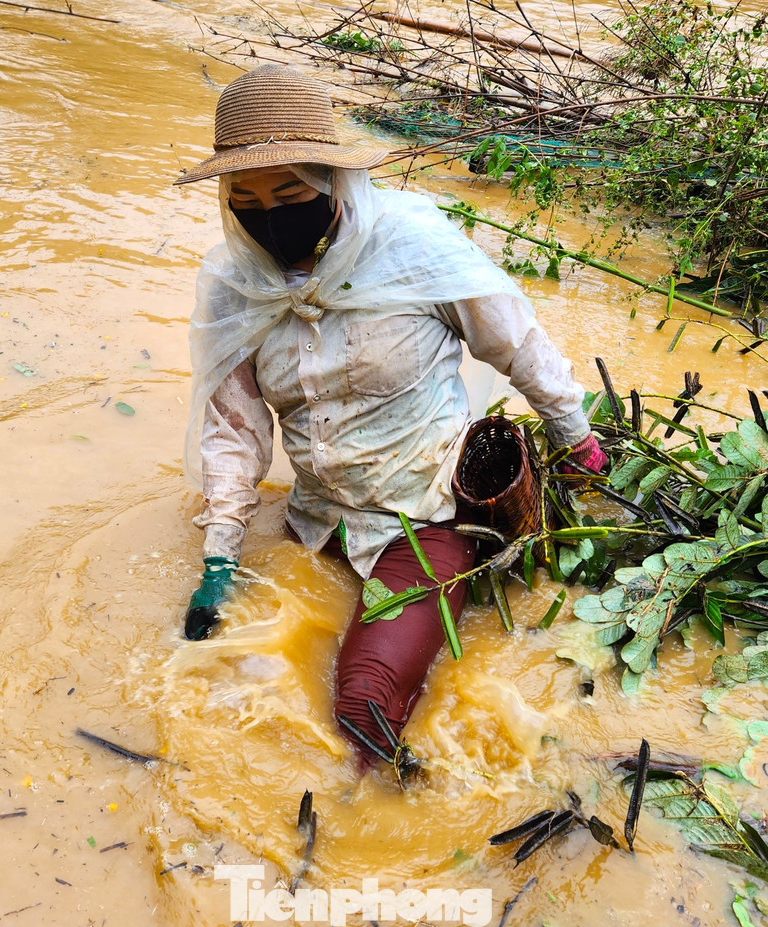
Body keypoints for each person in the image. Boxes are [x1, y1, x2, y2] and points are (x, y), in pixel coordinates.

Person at [173, 64, 607, 766]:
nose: (270, 214)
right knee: (217, 669)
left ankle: (372, 824)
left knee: (362, 706)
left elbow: (514, 341)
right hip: (318, 517)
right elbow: (235, 430)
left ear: (332, 181)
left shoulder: (413, 246)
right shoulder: (234, 284)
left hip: (424, 512)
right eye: (244, 198)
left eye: (290, 192)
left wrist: (576, 437)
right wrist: (219, 557)